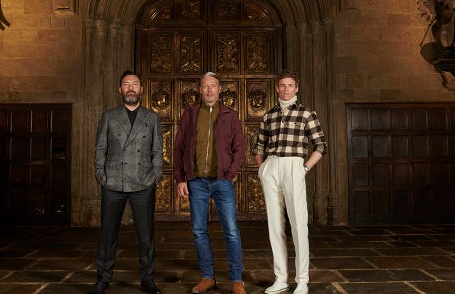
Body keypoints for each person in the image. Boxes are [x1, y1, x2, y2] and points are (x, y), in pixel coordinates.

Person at [253, 70, 327, 294]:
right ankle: (281, 278)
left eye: (290, 85)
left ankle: (302, 279)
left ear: (297, 88)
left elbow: (321, 146)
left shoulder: (306, 114)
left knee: (298, 226)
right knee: (275, 226)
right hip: (272, 167)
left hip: (295, 166)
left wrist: (304, 168)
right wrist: (263, 168)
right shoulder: (269, 115)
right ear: (277, 88)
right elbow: (258, 146)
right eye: (282, 85)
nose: (286, 89)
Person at [89, 70, 164, 294]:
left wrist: (155, 176)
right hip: (113, 182)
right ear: (120, 89)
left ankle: (148, 279)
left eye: (135, 84)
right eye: (126, 84)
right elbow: (100, 148)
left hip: (143, 183)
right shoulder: (109, 116)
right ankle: (102, 280)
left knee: (146, 235)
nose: (131, 88)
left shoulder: (152, 118)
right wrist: (101, 175)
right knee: (107, 235)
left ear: (141, 89)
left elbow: (157, 150)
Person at [174, 72, 247, 294]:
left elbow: (240, 149)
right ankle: (208, 277)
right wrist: (180, 179)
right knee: (198, 231)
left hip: (221, 181)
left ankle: (236, 280)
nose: (209, 90)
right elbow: (179, 149)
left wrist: (229, 174)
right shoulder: (190, 114)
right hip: (196, 182)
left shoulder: (230, 116)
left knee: (232, 231)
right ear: (200, 89)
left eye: (213, 86)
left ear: (220, 89)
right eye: (205, 86)